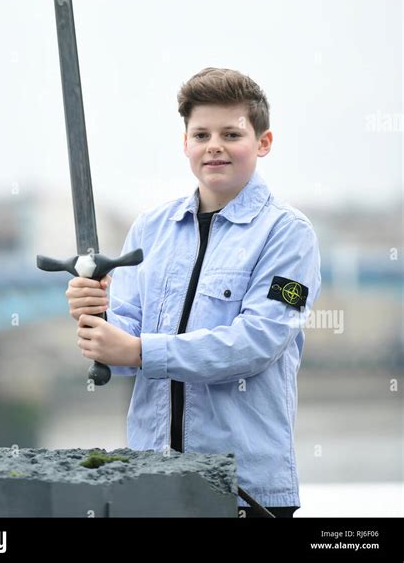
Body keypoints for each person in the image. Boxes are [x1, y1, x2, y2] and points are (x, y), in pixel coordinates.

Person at [66, 67, 321, 517]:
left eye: (231, 133)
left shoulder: (289, 235)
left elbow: (257, 343)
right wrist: (96, 321)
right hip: (150, 484)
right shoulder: (149, 229)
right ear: (185, 143)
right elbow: (122, 348)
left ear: (263, 142)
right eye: (201, 134)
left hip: (247, 492)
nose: (214, 145)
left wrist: (140, 350)